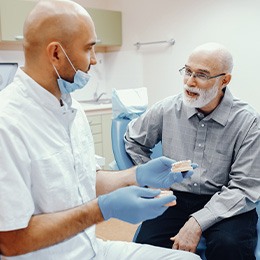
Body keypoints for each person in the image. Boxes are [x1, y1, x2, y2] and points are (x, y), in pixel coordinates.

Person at [0, 1, 202, 260]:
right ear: (56, 54)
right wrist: (102, 210)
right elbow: (10, 240)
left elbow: (82, 179)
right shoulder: (8, 123)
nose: (94, 60)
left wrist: (138, 174)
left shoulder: (71, 109)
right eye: (89, 48)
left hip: (90, 249)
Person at [125, 42, 260, 260]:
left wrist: (197, 222)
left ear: (224, 80)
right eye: (187, 71)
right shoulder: (167, 109)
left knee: (230, 246)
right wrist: (153, 181)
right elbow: (133, 140)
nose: (189, 81)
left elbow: (244, 186)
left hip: (226, 201)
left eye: (202, 75)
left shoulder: (249, 122)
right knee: (147, 248)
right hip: (176, 198)